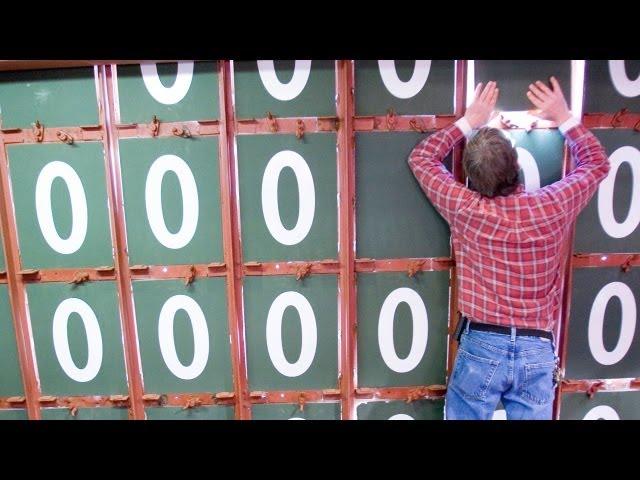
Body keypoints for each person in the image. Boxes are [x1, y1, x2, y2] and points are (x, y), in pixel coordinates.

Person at [408, 77, 610, 419]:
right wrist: (563, 116)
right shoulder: (553, 206)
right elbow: (597, 163)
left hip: (481, 343)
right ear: (516, 166)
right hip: (537, 348)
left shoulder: (466, 209)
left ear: (471, 177)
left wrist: (468, 121)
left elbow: (422, 158)